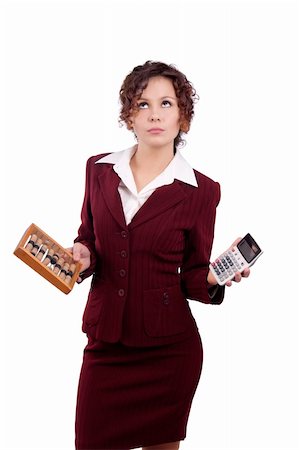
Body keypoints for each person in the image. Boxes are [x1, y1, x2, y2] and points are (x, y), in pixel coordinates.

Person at [71, 60, 250, 450]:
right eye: (142, 104)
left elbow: (193, 274)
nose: (154, 114)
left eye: (166, 103)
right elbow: (89, 236)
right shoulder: (98, 170)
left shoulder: (202, 190)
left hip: (168, 352)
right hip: (106, 346)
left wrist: (216, 278)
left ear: (183, 117)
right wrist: (83, 254)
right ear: (129, 116)